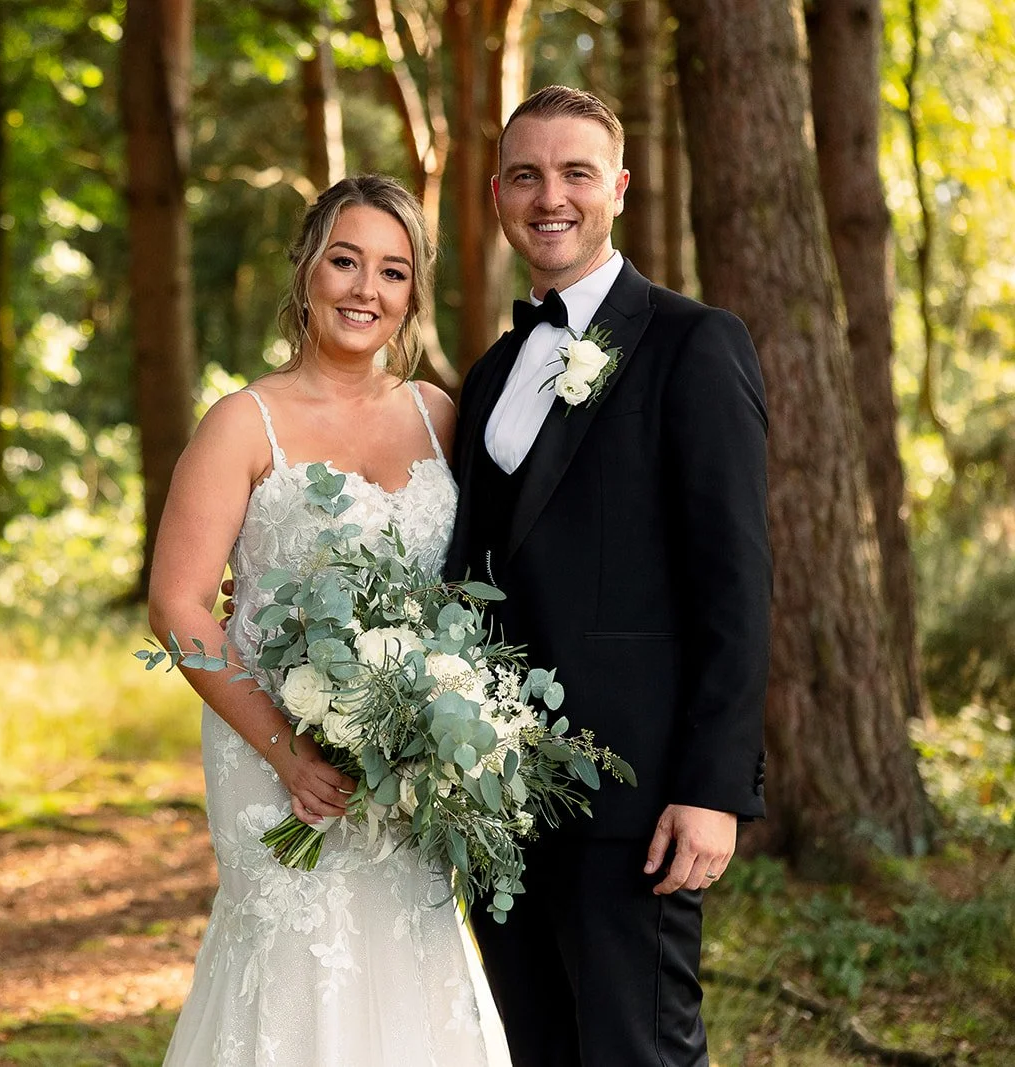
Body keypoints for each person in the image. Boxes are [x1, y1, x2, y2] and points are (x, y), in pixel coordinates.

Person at [147, 175, 511, 1066]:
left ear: (413, 294)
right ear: (307, 270)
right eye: (345, 261)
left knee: (410, 961)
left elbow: (473, 583)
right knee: (298, 970)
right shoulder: (243, 422)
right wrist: (288, 751)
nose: (364, 289)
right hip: (274, 760)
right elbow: (179, 604)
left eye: (391, 272)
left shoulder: (439, 417)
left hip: (408, 764)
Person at [446, 85, 772, 1066]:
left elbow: (735, 581)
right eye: (527, 175)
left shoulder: (690, 343)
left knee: (639, 1052)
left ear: (618, 189)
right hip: (496, 794)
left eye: (576, 172)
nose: (552, 196)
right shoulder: (494, 371)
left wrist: (712, 787)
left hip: (633, 796)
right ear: (498, 193)